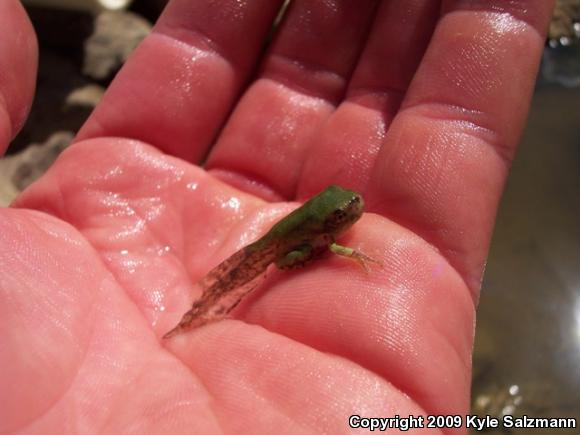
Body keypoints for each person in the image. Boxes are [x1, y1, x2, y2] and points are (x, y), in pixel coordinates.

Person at [0, 0, 554, 432]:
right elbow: (320, 241)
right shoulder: (325, 233)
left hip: (280, 237)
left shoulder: (334, 215)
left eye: (347, 209)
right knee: (260, 267)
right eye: (345, 211)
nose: (355, 210)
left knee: (250, 269)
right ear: (330, 219)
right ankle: (196, 317)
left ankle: (201, 314)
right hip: (280, 243)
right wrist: (335, 249)